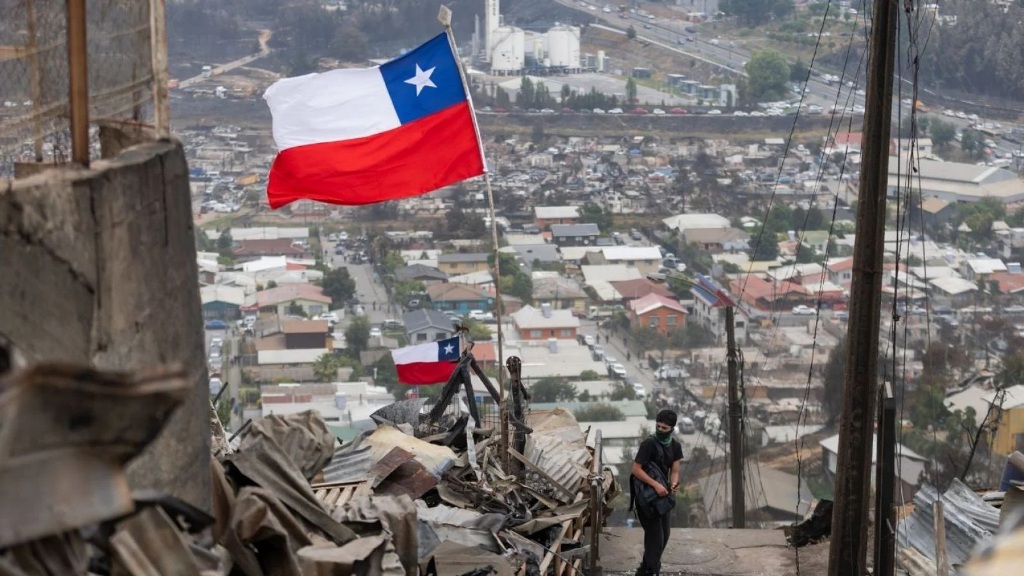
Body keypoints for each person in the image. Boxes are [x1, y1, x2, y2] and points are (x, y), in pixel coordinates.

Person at [630, 409, 683, 576]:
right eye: (658, 426)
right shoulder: (649, 444)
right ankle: (652, 571)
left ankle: (644, 569)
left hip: (663, 496)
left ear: (672, 428)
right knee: (655, 539)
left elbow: (674, 470)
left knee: (664, 536)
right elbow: (636, 470)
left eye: (664, 428)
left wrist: (673, 484)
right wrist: (655, 485)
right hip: (646, 497)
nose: (660, 430)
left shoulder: (675, 446)